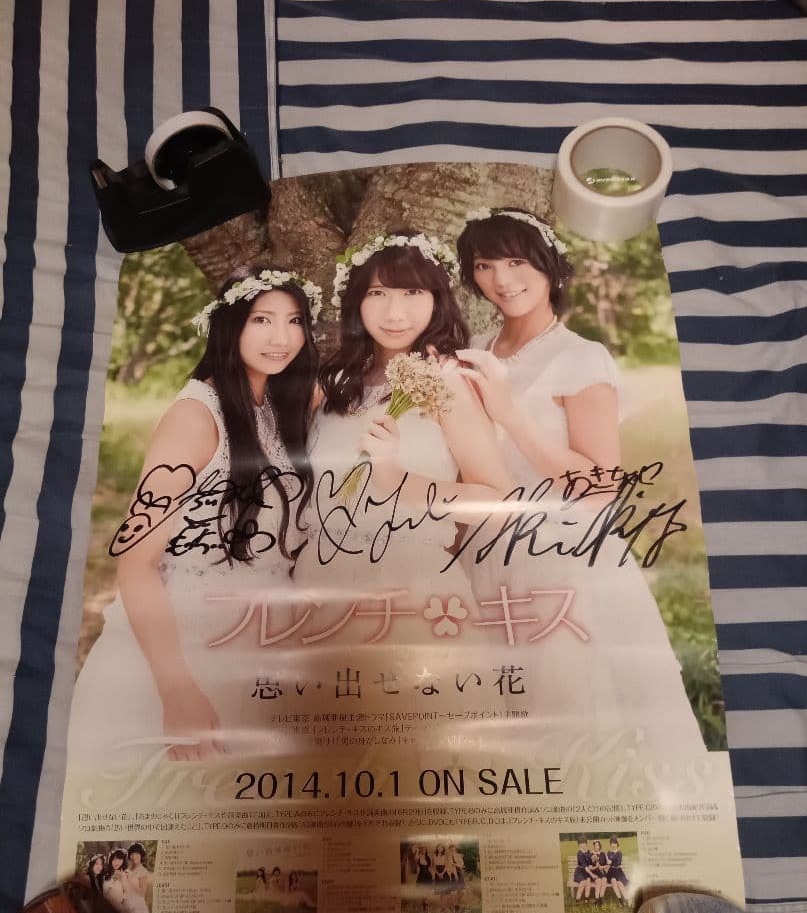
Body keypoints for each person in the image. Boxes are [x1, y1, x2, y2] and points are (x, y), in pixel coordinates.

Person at [453, 207, 705, 754]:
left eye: (516, 262)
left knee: (567, 715)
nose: (501, 279)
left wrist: (510, 415)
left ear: (549, 266)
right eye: (485, 265)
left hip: (561, 555)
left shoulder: (580, 358)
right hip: (481, 553)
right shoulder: (475, 348)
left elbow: (601, 487)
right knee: (501, 720)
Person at [68, 268, 320, 767]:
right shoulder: (195, 417)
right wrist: (176, 691)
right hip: (189, 638)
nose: (281, 337)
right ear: (229, 325)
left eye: (295, 321)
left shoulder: (274, 405)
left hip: (261, 641)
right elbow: (135, 565)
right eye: (261, 320)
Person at [293, 231, 510, 655]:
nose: (395, 313)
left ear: (436, 300)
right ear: (357, 301)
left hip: (409, 585)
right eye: (378, 293)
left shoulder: (447, 381)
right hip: (320, 581)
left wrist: (398, 480)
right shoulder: (335, 383)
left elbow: (498, 505)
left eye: (413, 292)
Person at [122, 842, 152, 913]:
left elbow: (142, 893)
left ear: (141, 855)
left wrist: (130, 879)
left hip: (138, 905)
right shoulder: (127, 869)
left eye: (136, 854)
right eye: (132, 854)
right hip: (126, 903)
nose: (134, 856)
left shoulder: (143, 871)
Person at [606, 836, 631, 906]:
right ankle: (620, 900)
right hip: (611, 872)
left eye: (615, 843)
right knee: (613, 881)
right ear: (610, 844)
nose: (613, 845)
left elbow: (618, 863)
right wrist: (610, 862)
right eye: (612, 843)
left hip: (618, 871)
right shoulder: (609, 852)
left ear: (617, 844)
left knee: (619, 883)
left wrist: (610, 861)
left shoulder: (619, 853)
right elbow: (607, 862)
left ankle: (627, 899)